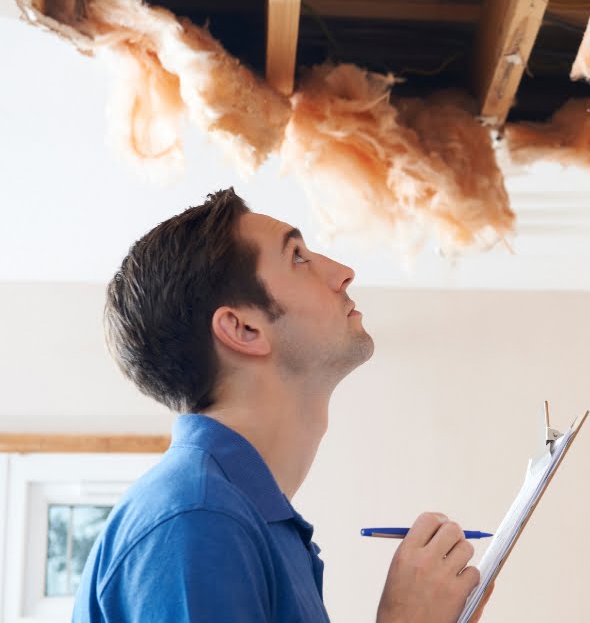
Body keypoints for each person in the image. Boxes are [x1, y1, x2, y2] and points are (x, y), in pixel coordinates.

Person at [73, 188, 491, 622]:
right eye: (297, 257)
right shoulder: (199, 519)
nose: (344, 272)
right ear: (243, 328)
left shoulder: (248, 524)